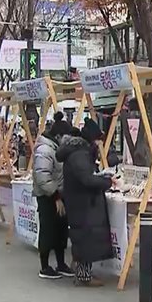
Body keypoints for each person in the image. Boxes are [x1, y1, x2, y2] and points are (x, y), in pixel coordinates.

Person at [57, 119, 117, 286]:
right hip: (83, 203)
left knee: (83, 236)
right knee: (85, 236)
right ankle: (84, 275)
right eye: (98, 140)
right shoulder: (80, 155)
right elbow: (87, 179)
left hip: (79, 201)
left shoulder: (78, 152)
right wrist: (107, 182)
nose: (100, 144)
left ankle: (81, 269)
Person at [32, 113, 74, 279]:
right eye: (66, 137)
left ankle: (61, 264)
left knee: (61, 231)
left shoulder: (58, 149)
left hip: (59, 195)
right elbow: (42, 176)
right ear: (58, 136)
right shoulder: (45, 150)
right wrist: (55, 196)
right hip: (48, 197)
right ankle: (45, 266)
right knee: (48, 231)